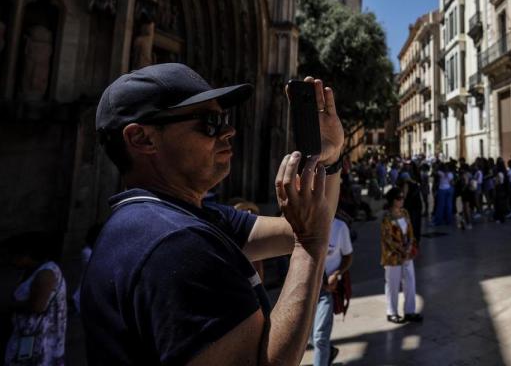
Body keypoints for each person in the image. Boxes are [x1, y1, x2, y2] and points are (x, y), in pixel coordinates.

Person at [82, 64, 344, 366]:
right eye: (210, 122)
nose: (229, 131)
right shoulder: (173, 244)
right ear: (142, 139)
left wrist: (331, 157)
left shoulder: (179, 219)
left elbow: (305, 223)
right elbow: (307, 233)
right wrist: (310, 248)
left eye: (225, 118)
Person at [3, 232, 66, 366]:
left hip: (39, 340)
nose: (7, 259)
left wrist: (10, 306)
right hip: (27, 335)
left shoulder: (46, 274)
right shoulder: (32, 270)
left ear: (26, 254)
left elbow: (37, 306)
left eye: (10, 255)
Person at [309, 208, 354, 366]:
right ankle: (329, 351)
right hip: (306, 289)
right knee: (306, 336)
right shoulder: (306, 224)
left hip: (326, 290)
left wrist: (337, 274)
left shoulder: (340, 227)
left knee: (320, 336)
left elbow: (348, 256)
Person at [381, 188, 421, 324]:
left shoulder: (405, 213)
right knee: (392, 285)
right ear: (392, 200)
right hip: (393, 257)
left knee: (410, 283)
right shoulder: (386, 218)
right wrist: (402, 251)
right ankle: (391, 312)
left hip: (407, 255)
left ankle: (410, 311)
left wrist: (409, 246)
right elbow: (388, 239)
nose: (402, 200)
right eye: (399, 198)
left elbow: (410, 231)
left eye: (403, 197)